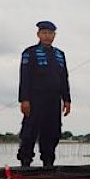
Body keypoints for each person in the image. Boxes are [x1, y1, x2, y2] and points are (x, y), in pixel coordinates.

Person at [17, 21, 71, 168]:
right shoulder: (30, 52)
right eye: (44, 33)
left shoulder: (60, 54)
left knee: (52, 132)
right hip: (35, 99)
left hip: (54, 100)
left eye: (50, 33)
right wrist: (24, 99)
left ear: (54, 35)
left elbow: (64, 78)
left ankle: (48, 163)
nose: (47, 36)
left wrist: (67, 100)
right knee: (29, 132)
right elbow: (24, 77)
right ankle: (25, 162)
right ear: (38, 34)